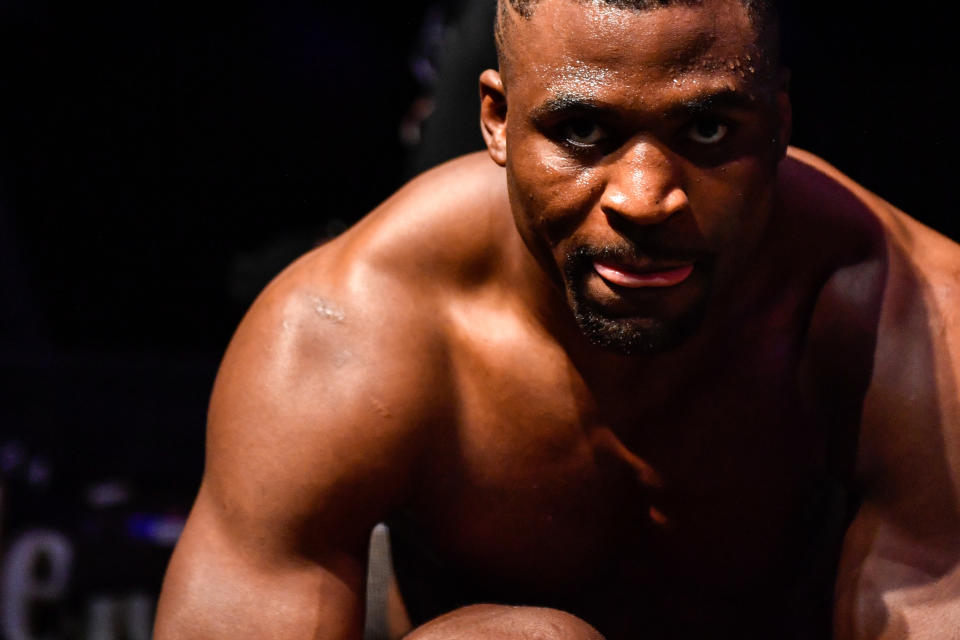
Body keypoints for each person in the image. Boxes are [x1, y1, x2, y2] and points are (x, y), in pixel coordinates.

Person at [153, 0, 960, 637]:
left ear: (779, 120)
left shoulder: (914, 318)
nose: (645, 199)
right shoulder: (350, 328)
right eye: (582, 132)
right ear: (498, 122)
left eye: (708, 130)